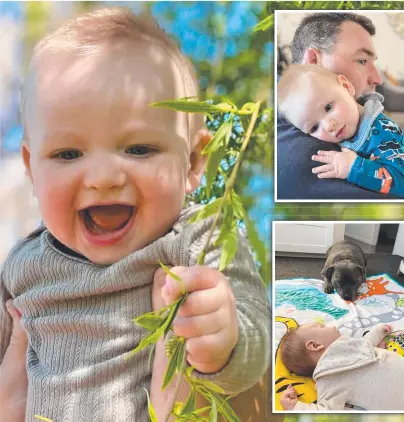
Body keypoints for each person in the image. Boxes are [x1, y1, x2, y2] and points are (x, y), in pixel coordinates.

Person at [0, 8, 270, 421]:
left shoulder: (197, 242)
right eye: (68, 154)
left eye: (139, 149)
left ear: (194, 162)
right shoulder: (24, 264)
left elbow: (257, 337)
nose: (104, 177)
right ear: (32, 169)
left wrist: (225, 336)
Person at [276, 12, 402, 200]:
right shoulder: (308, 157)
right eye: (361, 61)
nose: (376, 79)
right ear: (313, 61)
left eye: (328, 108)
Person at [277, 64, 404, 198]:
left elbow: (403, 183)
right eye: (314, 127)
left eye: (328, 107)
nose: (328, 126)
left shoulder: (383, 133)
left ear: (346, 87)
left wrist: (354, 167)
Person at [279, 323, 404, 411]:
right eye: (321, 326)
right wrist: (294, 407)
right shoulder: (329, 380)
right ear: (314, 345)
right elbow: (325, 412)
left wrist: (378, 331)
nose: (331, 325)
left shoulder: (349, 347)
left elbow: (364, 344)